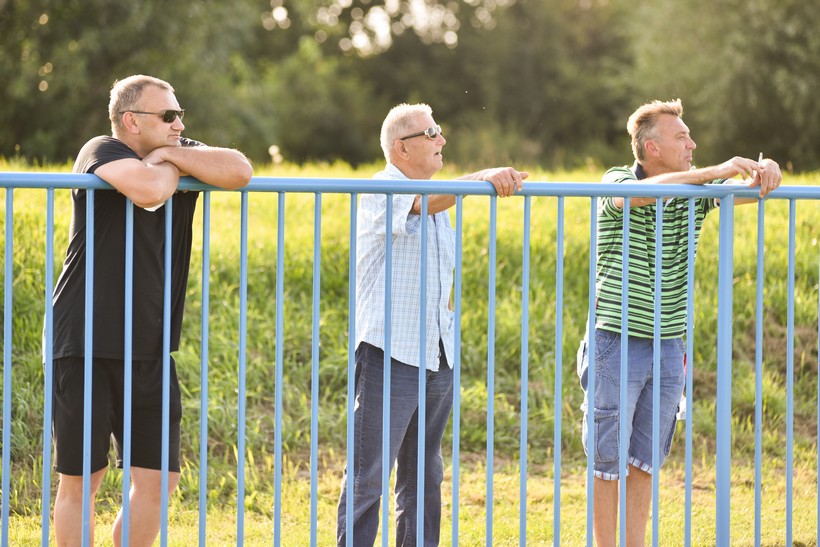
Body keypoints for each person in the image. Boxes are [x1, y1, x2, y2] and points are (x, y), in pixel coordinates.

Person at [48, 74, 252, 547]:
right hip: (84, 340)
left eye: (180, 114)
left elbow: (240, 169)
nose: (179, 123)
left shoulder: (179, 147)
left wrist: (170, 153)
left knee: (159, 480)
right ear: (131, 121)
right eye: (168, 116)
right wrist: (173, 167)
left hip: (152, 345)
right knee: (84, 480)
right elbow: (148, 190)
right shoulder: (100, 149)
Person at [577, 98, 782, 547]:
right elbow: (636, 195)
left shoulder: (695, 192)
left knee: (646, 458)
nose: (693, 143)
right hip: (617, 338)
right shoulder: (615, 179)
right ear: (651, 148)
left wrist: (771, 175)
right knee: (606, 454)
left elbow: (751, 191)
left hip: (669, 343)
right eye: (681, 136)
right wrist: (714, 171)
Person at [336, 103, 528, 546]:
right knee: (369, 474)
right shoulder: (383, 187)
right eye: (432, 132)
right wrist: (482, 179)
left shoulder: (439, 196)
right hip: (390, 350)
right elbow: (421, 205)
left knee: (425, 472)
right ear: (402, 148)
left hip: (436, 349)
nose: (442, 140)